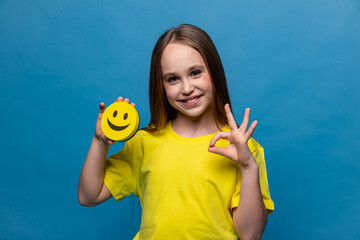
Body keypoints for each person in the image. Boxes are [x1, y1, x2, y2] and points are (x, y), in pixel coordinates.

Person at [78, 24, 274, 240]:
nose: (187, 88)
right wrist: (100, 141)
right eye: (173, 78)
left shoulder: (244, 150)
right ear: (160, 85)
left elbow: (251, 235)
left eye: (196, 73)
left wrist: (247, 167)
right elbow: (89, 196)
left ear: (214, 72)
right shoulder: (145, 142)